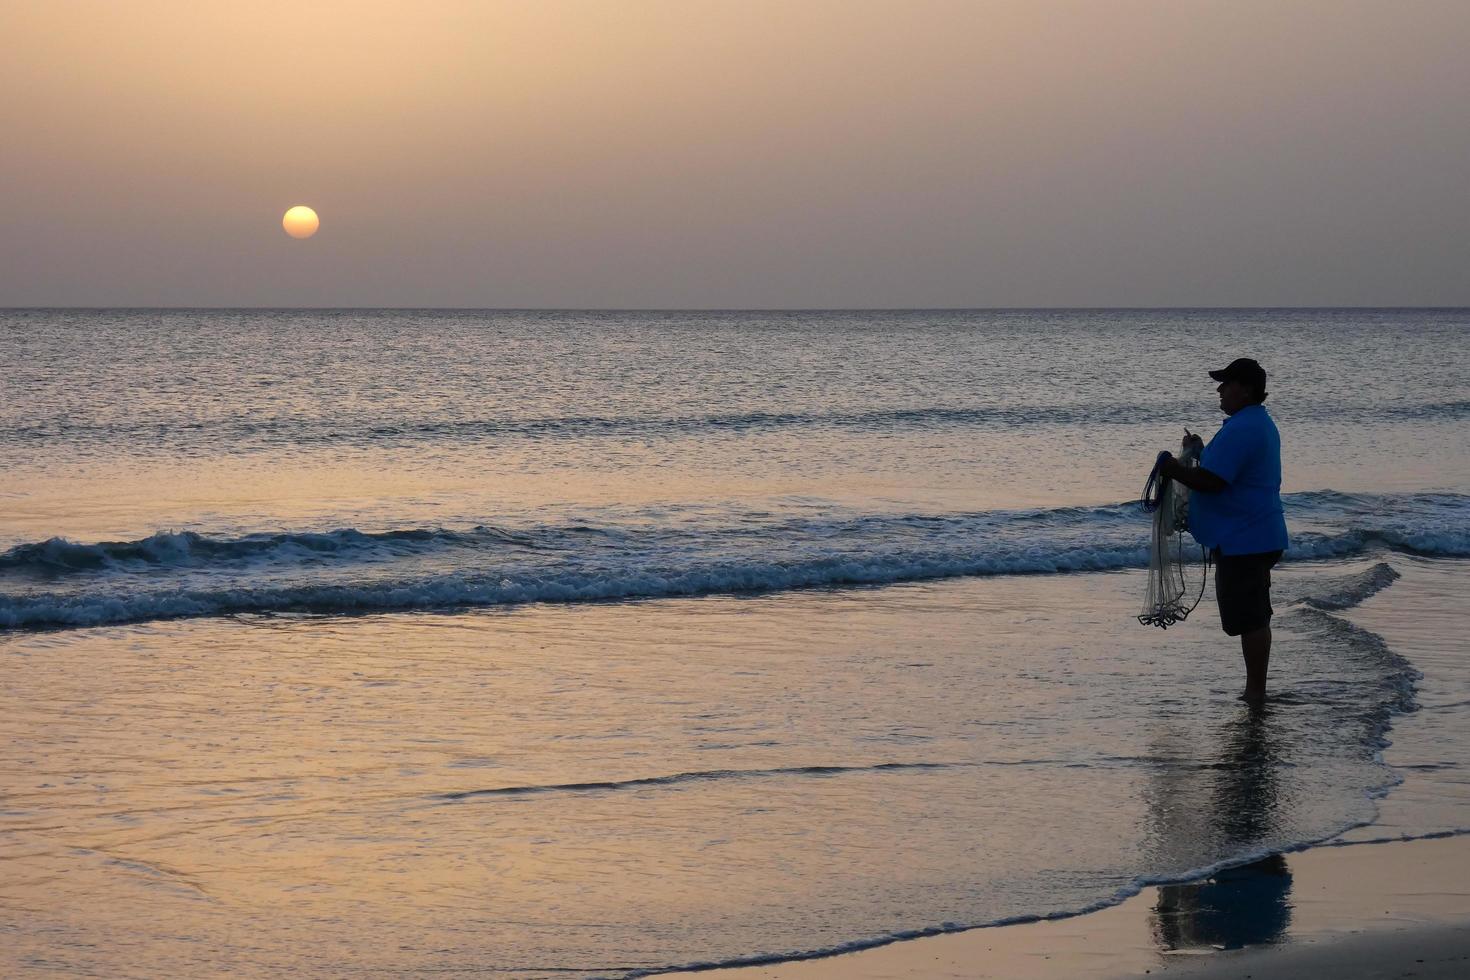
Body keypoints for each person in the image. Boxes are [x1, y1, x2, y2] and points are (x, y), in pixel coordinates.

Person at [1159, 358, 1289, 705]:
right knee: (1250, 615)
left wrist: (1173, 468)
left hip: (1247, 537)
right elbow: (1221, 468)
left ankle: (1256, 692)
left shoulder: (1245, 427)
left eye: (1226, 383)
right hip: (1250, 534)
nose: (1219, 389)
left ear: (1245, 389)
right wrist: (1201, 451)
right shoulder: (1249, 423)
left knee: (1252, 617)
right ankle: (1255, 689)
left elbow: (1213, 482)